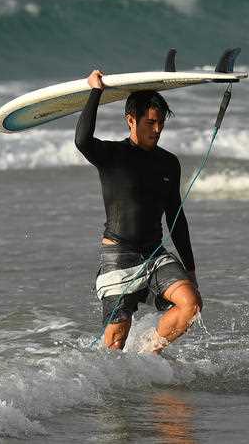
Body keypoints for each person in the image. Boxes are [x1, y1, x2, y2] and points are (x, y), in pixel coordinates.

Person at [75, 69, 202, 354]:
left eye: (161, 124)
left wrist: (190, 268)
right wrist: (95, 91)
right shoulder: (113, 156)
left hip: (155, 252)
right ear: (130, 120)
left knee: (191, 304)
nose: (157, 130)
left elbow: (176, 219)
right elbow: (82, 140)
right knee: (116, 340)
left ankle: (146, 356)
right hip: (119, 254)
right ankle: (113, 384)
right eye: (150, 123)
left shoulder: (169, 163)